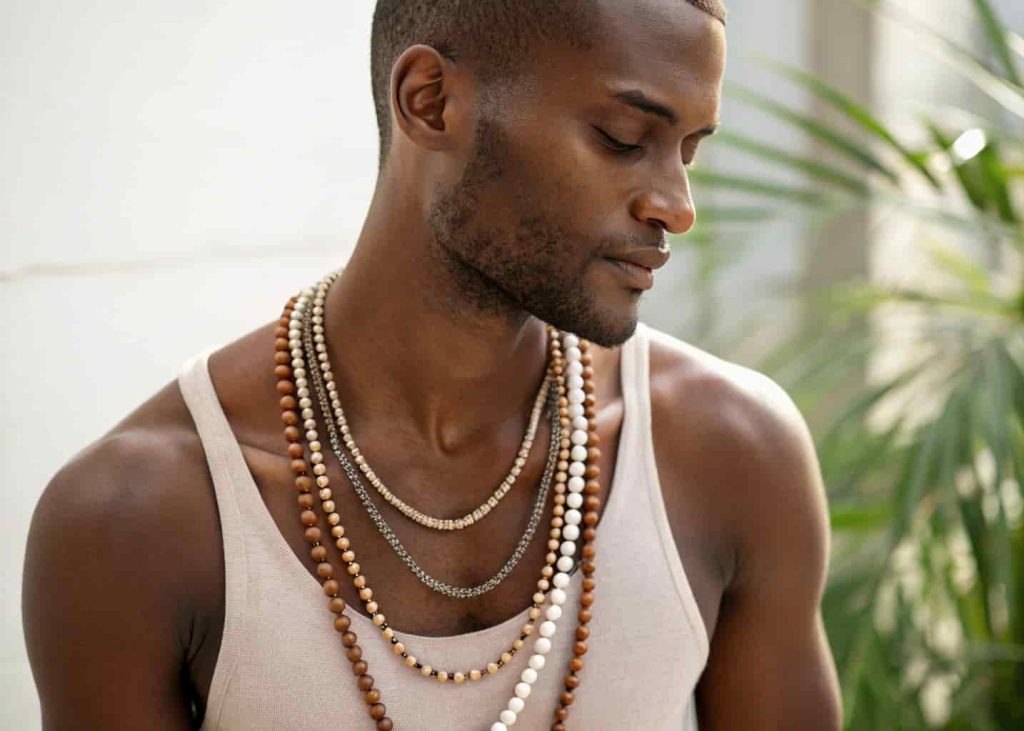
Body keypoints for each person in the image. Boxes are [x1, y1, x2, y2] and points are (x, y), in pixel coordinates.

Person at [23, 0, 842, 728]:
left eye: (688, 151)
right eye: (625, 139)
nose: (676, 205)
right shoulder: (140, 521)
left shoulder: (732, 455)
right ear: (431, 101)